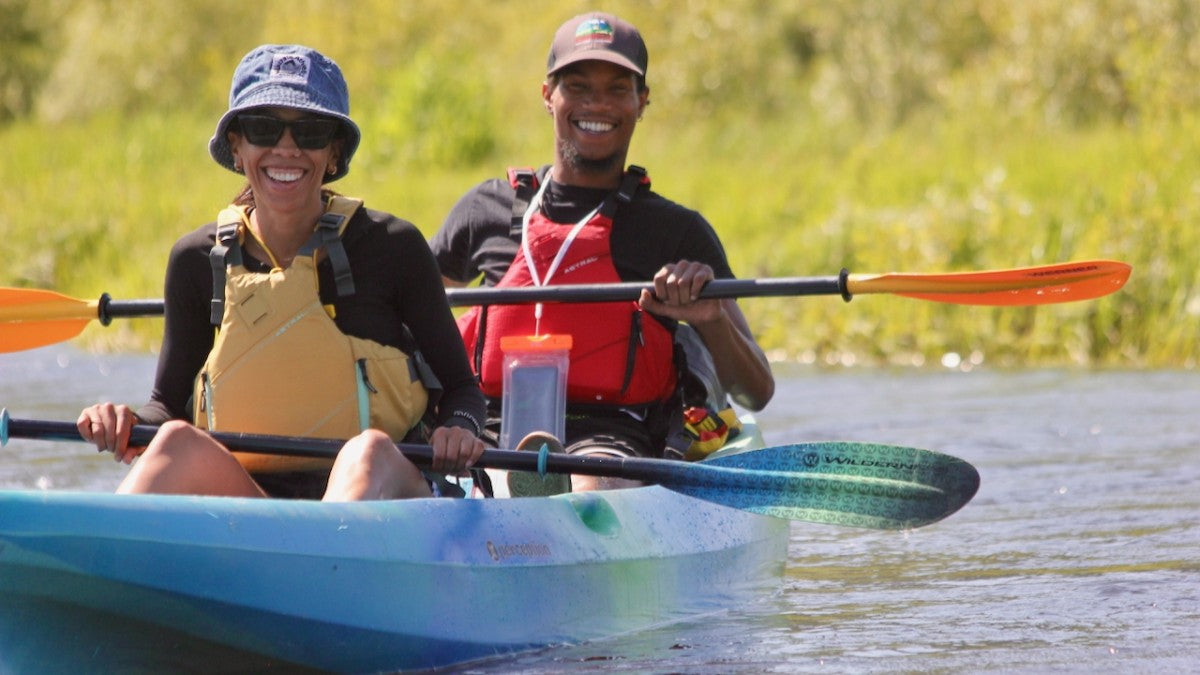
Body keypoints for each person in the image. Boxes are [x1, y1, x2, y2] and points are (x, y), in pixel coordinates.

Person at [77, 44, 487, 500]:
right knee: (175, 441)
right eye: (263, 128)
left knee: (366, 453)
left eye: (309, 132)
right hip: (254, 502)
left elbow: (463, 392)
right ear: (237, 147)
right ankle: (97, 561)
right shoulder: (196, 259)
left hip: (384, 495)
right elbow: (166, 409)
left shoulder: (393, 247)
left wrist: (459, 427)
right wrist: (127, 422)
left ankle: (328, 559)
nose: (286, 148)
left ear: (333, 153)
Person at [430, 13, 774, 492]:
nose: (597, 103)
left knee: (590, 479)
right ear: (548, 96)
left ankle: (543, 499)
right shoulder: (484, 210)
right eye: (578, 85)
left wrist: (710, 320)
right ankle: (511, 490)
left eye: (618, 88)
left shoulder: (676, 232)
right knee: (452, 473)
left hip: (613, 440)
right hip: (484, 432)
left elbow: (754, 392)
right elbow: (411, 331)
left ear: (642, 102)